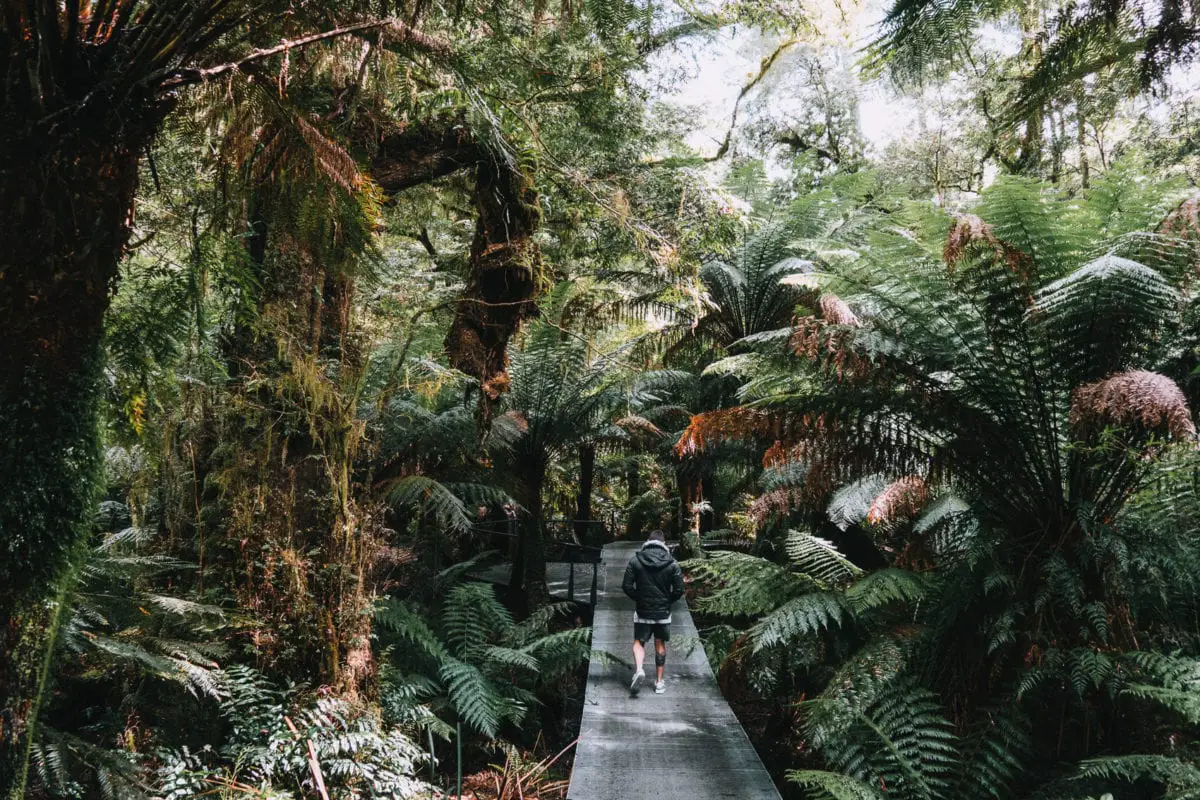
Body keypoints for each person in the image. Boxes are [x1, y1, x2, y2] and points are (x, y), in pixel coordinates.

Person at [621, 530, 684, 695]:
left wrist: (639, 598)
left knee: (638, 642)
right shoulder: (672, 563)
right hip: (663, 613)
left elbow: (626, 586)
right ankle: (659, 682)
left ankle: (640, 670)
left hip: (642, 611)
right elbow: (679, 589)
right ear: (663, 543)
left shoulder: (636, 560)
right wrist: (667, 600)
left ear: (648, 541)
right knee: (660, 643)